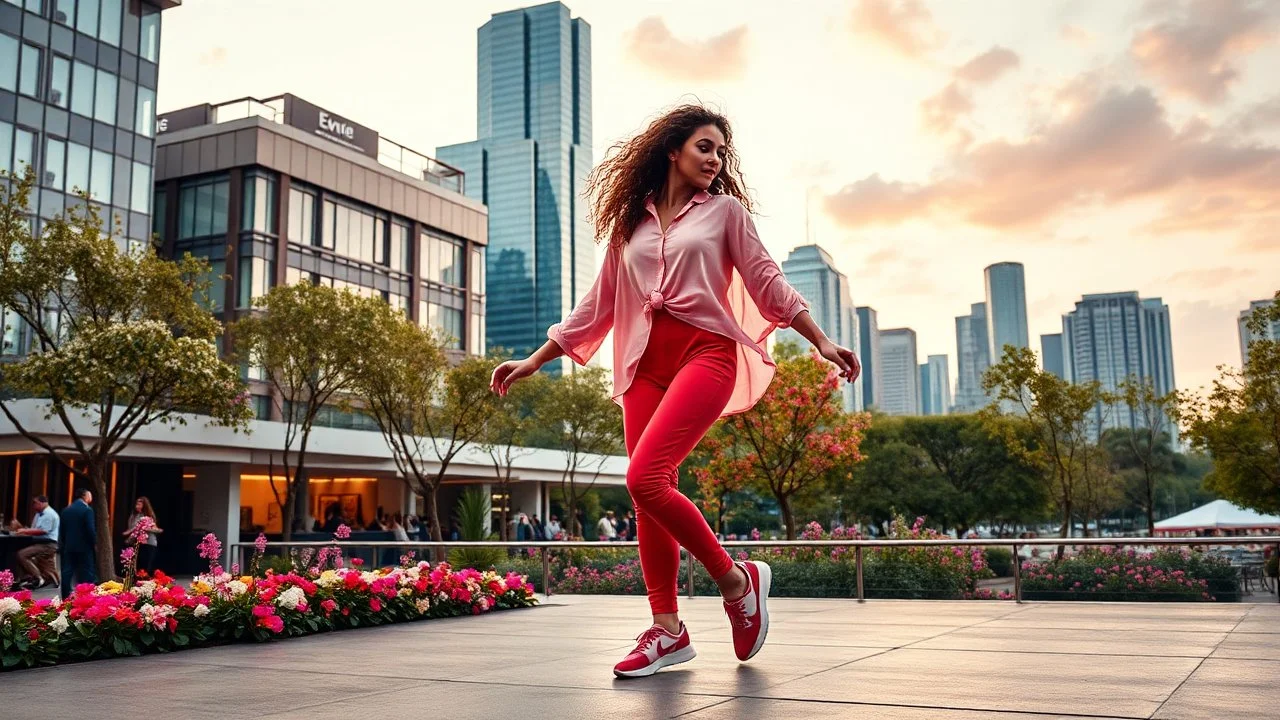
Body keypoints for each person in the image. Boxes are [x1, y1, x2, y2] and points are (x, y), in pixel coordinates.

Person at [491, 106, 858, 678]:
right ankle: (668, 631)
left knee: (645, 477)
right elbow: (598, 307)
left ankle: (737, 581)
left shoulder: (725, 214)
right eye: (704, 148)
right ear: (672, 150)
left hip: (706, 355)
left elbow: (766, 279)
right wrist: (536, 359)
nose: (714, 161)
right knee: (646, 498)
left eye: (719, 153)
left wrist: (821, 340)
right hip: (644, 367)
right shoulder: (628, 227)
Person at [59, 488, 97, 598]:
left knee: (67, 572)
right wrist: (94, 543)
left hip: (69, 546)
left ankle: (65, 596)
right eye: (90, 494)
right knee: (87, 572)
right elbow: (90, 529)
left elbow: (62, 530)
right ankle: (86, 597)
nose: (91, 497)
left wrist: (65, 543)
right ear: (85, 496)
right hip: (84, 546)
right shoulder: (87, 510)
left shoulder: (66, 510)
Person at [15, 495, 60, 589]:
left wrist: (24, 531)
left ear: (42, 503)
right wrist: (24, 529)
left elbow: (43, 531)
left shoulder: (49, 514)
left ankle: (38, 578)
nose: (33, 506)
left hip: (47, 544)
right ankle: (31, 579)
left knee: (22, 554)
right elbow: (34, 528)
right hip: (41, 543)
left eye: (35, 503)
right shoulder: (39, 514)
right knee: (47, 566)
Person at [123, 496, 163, 575]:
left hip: (149, 543)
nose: (137, 506)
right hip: (137, 543)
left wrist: (146, 528)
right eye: (136, 504)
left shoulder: (149, 516)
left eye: (139, 505)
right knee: (136, 565)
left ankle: (144, 583)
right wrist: (129, 535)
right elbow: (133, 528)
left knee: (145, 566)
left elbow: (155, 528)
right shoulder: (133, 516)